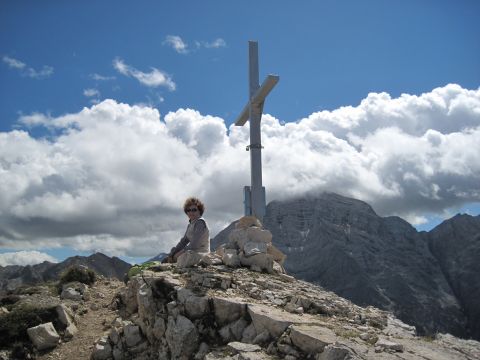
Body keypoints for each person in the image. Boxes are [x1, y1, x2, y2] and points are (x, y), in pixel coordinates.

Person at [162, 197, 210, 263]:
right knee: (174, 250)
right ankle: (171, 259)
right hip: (191, 251)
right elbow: (183, 242)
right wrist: (173, 253)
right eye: (188, 210)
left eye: (194, 210)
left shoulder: (200, 223)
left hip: (201, 252)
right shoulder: (190, 225)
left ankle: (171, 260)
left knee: (181, 257)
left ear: (199, 211)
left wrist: (180, 253)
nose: (191, 212)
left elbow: (194, 244)